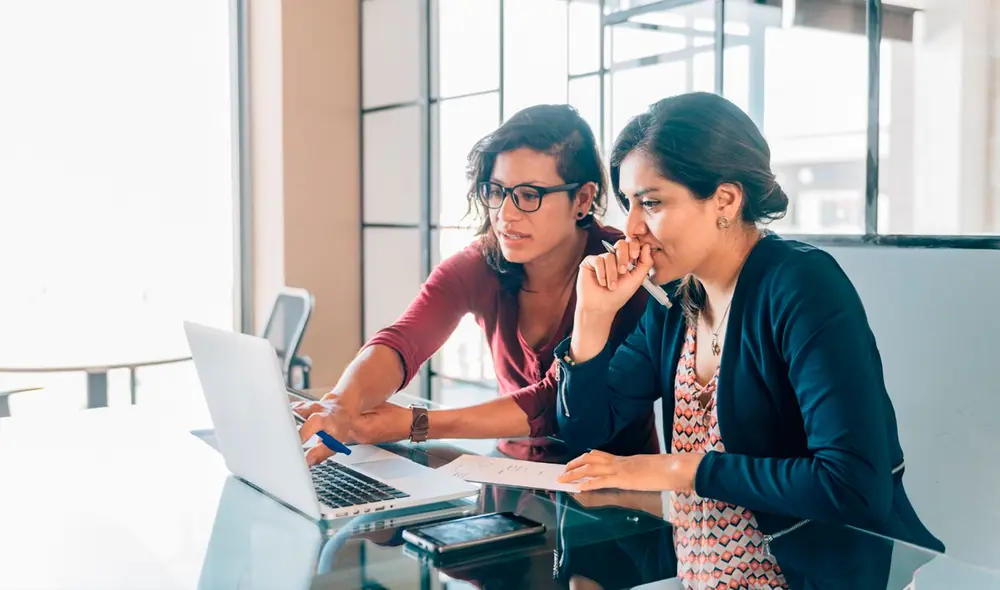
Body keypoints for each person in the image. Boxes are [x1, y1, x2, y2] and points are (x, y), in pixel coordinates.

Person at [553, 92, 943, 588]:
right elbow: (584, 432)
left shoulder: (802, 285)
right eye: (629, 202)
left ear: (726, 200)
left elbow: (854, 485)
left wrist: (681, 468)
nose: (630, 228)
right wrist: (591, 319)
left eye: (651, 203)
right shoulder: (677, 299)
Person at [296, 104, 658, 465]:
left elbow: (551, 402)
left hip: (613, 496)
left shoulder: (623, 271)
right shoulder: (483, 262)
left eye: (529, 195)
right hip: (510, 476)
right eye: (496, 191)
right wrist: (340, 404)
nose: (505, 214)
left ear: (581, 199)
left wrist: (416, 423)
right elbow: (403, 339)